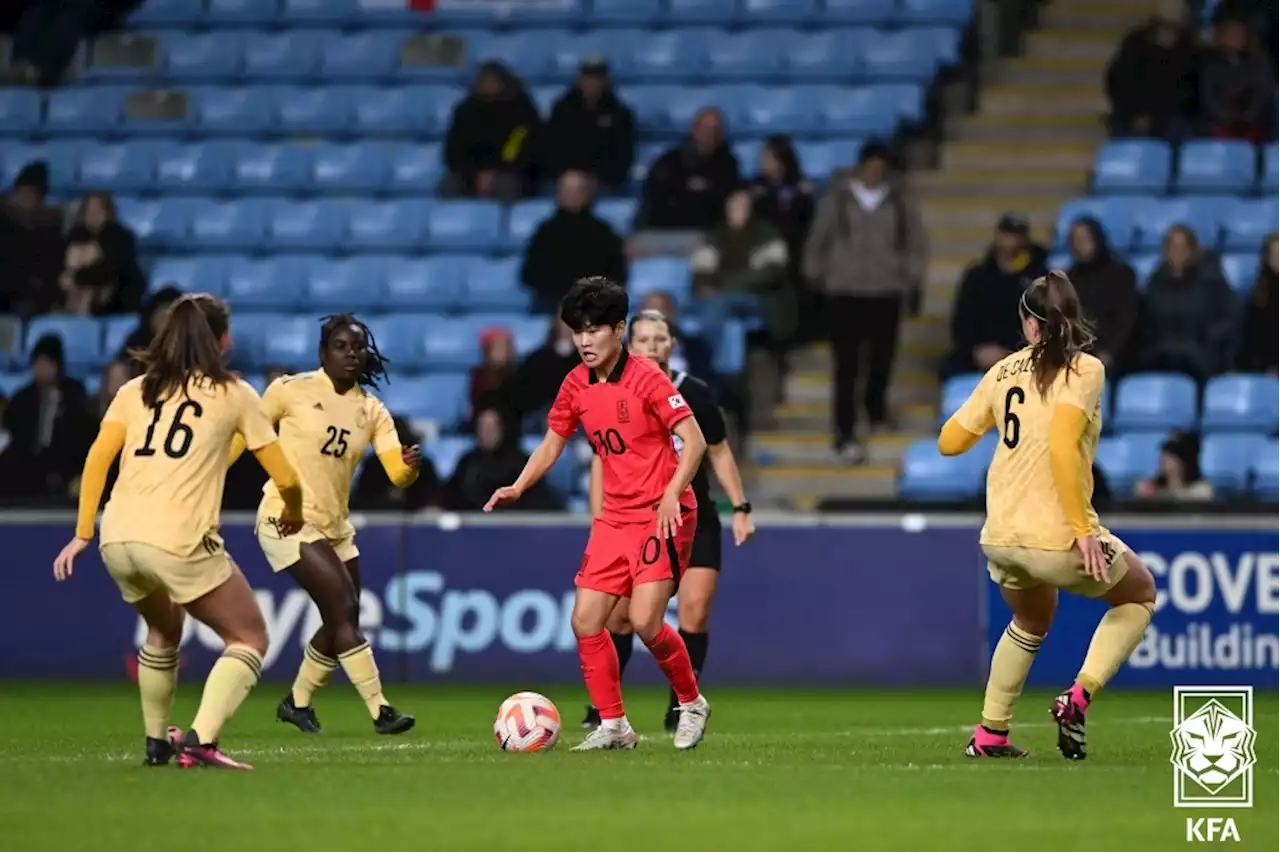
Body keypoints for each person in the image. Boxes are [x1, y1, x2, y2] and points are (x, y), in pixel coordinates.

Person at [51, 293, 306, 771]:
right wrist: (292, 511)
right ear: (222, 341)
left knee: (164, 627)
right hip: (178, 539)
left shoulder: (135, 390)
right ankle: (200, 740)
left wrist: (84, 532)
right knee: (249, 637)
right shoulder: (233, 393)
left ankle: (154, 742)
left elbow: (96, 460)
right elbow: (287, 477)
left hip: (118, 538)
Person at [483, 277, 713, 751]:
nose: (585, 340)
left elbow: (695, 441)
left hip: (661, 513)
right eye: (578, 331)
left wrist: (673, 492)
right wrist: (519, 485)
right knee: (586, 621)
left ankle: (691, 702)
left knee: (647, 621)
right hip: (615, 516)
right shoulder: (575, 384)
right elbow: (552, 443)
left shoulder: (648, 377)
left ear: (620, 329)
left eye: (595, 330)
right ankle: (614, 725)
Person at [938, 271, 1158, 760]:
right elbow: (1061, 446)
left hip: (1001, 535)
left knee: (1032, 618)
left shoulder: (1002, 370)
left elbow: (948, 443)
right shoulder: (1086, 370)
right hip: (1056, 534)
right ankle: (1076, 699)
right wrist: (1082, 530)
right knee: (1139, 593)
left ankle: (990, 734)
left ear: (1028, 324)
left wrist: (994, 414)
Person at [229, 315, 420, 737]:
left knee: (344, 614)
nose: (351, 353)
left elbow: (395, 474)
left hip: (335, 527)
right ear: (323, 353)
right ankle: (380, 709)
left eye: (357, 347)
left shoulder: (371, 410)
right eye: (341, 346)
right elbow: (247, 434)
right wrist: (208, 471)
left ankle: (296, 703)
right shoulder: (290, 390)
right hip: (287, 516)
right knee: (341, 608)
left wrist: (408, 469)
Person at [581, 309, 755, 732]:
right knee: (620, 618)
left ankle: (683, 705)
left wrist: (742, 507)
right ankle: (606, 711)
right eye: (643, 339)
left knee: (693, 613)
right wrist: (598, 519)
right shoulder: (611, 391)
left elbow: (717, 450)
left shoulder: (695, 392)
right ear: (629, 343)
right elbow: (604, 460)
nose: (652, 347)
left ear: (672, 345)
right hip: (635, 519)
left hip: (694, 517)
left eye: (660, 339)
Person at [804, 141, 926, 461]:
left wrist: (910, 278)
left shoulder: (901, 202)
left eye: (880, 168)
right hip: (844, 290)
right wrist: (817, 275)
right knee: (846, 364)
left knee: (882, 359)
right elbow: (820, 238)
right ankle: (843, 428)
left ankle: (875, 410)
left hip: (886, 290)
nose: (875, 173)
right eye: (871, 166)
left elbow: (915, 243)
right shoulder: (838, 199)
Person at [941, 213, 1047, 381]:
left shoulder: (1040, 277)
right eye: (1007, 234)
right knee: (951, 366)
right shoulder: (977, 275)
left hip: (1023, 353)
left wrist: (1010, 353)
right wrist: (976, 350)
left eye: (1015, 235)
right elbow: (962, 320)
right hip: (980, 352)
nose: (1010, 241)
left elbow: (1043, 322)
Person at [1134, 431, 1215, 501]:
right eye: (1163, 456)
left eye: (1170, 457)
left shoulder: (1202, 489)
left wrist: (1159, 494)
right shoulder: (1150, 485)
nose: (1163, 461)